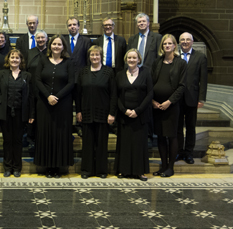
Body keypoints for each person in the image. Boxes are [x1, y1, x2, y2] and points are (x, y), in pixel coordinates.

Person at [34, 35, 75, 178]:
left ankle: (58, 167)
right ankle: (48, 167)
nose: (56, 46)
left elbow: (71, 83)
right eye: (54, 44)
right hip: (44, 104)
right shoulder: (43, 60)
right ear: (49, 46)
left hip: (63, 105)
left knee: (60, 135)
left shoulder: (69, 62)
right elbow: (37, 79)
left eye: (59, 44)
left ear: (63, 46)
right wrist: (48, 96)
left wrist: (57, 97)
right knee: (46, 134)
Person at [76, 45, 117, 179]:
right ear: (89, 57)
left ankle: (101, 170)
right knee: (87, 143)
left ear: (101, 56)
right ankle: (87, 170)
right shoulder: (83, 72)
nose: (94, 57)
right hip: (87, 112)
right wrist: (78, 111)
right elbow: (78, 94)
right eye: (92, 55)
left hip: (103, 113)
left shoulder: (108, 72)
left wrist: (112, 113)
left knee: (101, 143)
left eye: (97, 55)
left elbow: (113, 94)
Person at [0, 49, 34, 177]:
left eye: (17, 58)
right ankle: (7, 167)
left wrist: (31, 114)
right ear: (8, 60)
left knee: (18, 141)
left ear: (21, 60)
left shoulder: (27, 75)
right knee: (7, 141)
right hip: (5, 112)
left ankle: (17, 168)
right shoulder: (1, 74)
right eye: (12, 57)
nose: (14, 60)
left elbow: (31, 96)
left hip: (21, 114)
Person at [115, 49, 153, 181]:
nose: (131, 60)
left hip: (140, 115)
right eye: (129, 58)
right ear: (126, 59)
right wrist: (124, 110)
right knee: (124, 144)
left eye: (134, 58)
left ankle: (140, 171)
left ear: (139, 60)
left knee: (139, 144)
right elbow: (116, 95)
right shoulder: (119, 75)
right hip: (124, 115)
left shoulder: (146, 73)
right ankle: (123, 170)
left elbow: (150, 94)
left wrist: (138, 110)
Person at [152, 34, 187, 178]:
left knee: (172, 136)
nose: (167, 46)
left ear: (174, 46)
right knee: (160, 136)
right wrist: (153, 101)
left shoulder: (181, 63)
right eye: (164, 44)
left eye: (169, 43)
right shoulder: (157, 62)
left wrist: (169, 101)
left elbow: (182, 86)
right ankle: (163, 166)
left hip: (171, 106)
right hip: (157, 106)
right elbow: (152, 82)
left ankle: (171, 167)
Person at [177, 32, 208, 165]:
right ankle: (178, 151)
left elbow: (203, 79)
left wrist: (201, 98)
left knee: (190, 126)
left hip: (192, 98)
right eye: (182, 40)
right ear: (179, 42)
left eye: (187, 40)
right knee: (178, 126)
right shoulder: (175, 56)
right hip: (177, 98)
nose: (185, 42)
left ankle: (188, 152)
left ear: (192, 41)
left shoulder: (200, 57)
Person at [65, 17, 91, 136]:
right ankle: (68, 126)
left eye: (74, 24)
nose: (72, 27)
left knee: (81, 103)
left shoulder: (86, 41)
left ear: (79, 26)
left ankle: (79, 125)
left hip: (81, 78)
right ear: (67, 27)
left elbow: (88, 60)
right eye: (70, 25)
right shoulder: (63, 40)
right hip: (66, 78)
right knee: (67, 104)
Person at [25, 29, 48, 149]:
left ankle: (42, 139)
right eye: (38, 38)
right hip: (32, 87)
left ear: (46, 39)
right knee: (31, 114)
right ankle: (30, 138)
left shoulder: (50, 52)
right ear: (35, 39)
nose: (40, 40)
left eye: (43, 38)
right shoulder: (30, 52)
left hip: (45, 89)